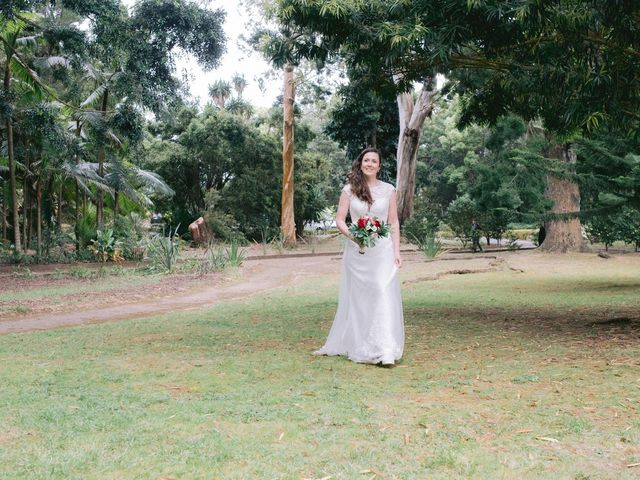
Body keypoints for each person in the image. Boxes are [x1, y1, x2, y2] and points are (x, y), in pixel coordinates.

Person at [314, 148, 404, 366]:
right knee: (361, 299)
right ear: (361, 163)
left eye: (374, 161)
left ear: (379, 166)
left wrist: (397, 251)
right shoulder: (349, 190)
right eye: (366, 160)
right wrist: (354, 236)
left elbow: (393, 222)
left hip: (382, 250)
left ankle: (385, 349)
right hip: (358, 252)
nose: (370, 164)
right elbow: (340, 220)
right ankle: (363, 344)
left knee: (381, 290)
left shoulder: (389, 190)